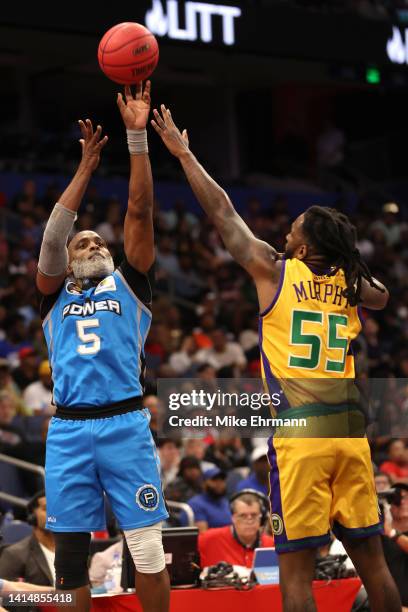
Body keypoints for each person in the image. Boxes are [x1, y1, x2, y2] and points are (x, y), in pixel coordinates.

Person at [152, 105, 401, 612]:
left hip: (302, 437)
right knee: (374, 565)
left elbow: (223, 212)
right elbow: (383, 297)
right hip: (350, 436)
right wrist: (345, 264)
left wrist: (184, 154)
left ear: (305, 247)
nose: (284, 236)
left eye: (292, 232)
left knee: (295, 576)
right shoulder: (351, 283)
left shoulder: (275, 270)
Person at [36, 83, 169, 612]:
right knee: (69, 559)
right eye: (83, 243)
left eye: (99, 242)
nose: (92, 245)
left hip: (124, 424)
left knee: (148, 551)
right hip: (67, 428)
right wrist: (86, 168)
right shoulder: (53, 295)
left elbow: (139, 211)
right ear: (70, 263)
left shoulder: (130, 284)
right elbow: (51, 239)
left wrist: (136, 138)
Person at [198, 489, 273, 569]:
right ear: (233, 518)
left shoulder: (272, 546)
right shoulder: (208, 539)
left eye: (254, 515)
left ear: (262, 518)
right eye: (243, 516)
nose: (249, 521)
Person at [0, 491, 54, 587]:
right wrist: (49, 599)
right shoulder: (15, 554)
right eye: (46, 509)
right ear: (32, 517)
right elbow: (5, 599)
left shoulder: (72, 550)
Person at [186, 467, 231, 532]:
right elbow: (202, 536)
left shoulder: (226, 502)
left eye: (222, 480)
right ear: (203, 484)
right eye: (214, 480)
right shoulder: (195, 504)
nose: (219, 483)